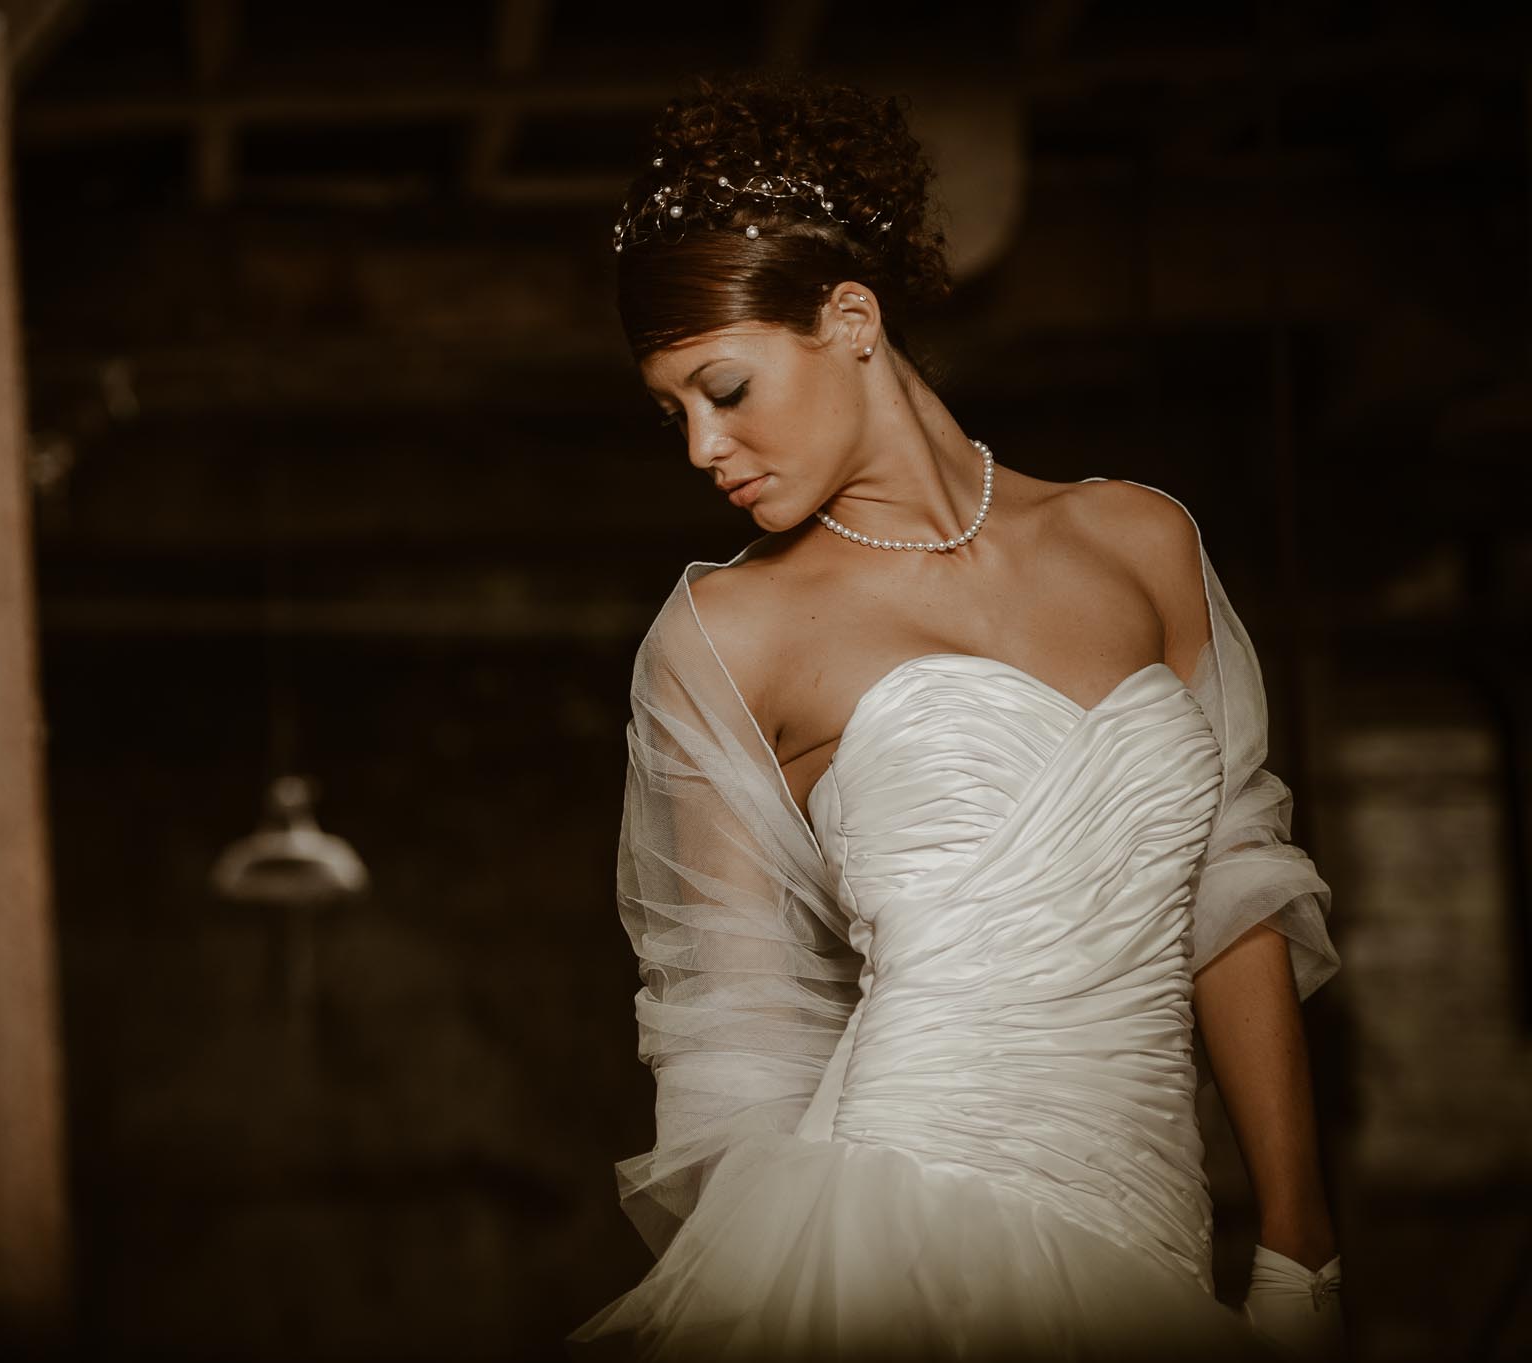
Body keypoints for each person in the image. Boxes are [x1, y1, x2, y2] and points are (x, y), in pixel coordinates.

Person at [570, 72, 1349, 1362]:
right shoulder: (726, 634)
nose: (703, 449)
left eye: (726, 389)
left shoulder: (1140, 540)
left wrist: (1299, 1238)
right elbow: (734, 1040)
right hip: (898, 1233)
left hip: (1159, 1226)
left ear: (852, 318)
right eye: (676, 415)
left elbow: (1232, 893)